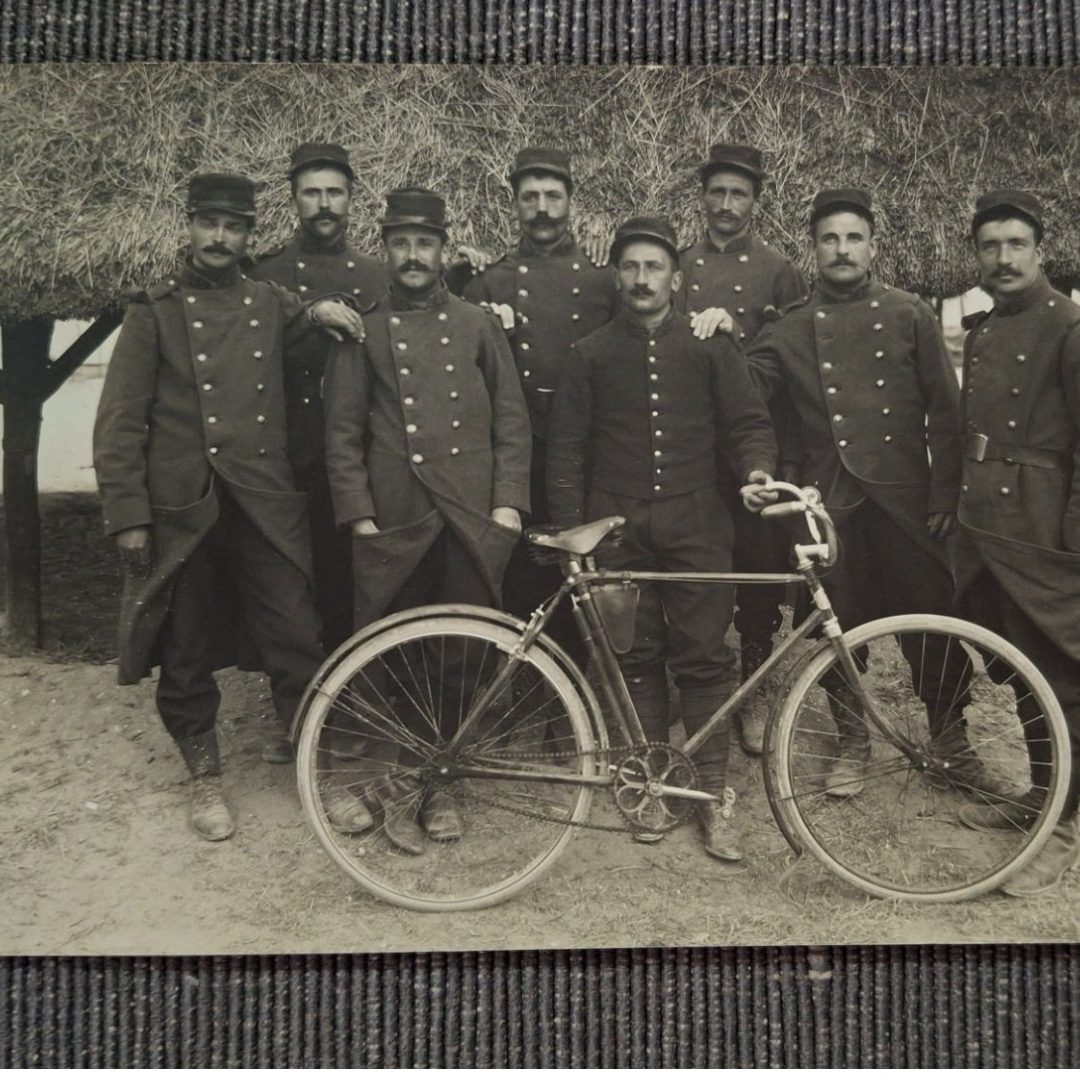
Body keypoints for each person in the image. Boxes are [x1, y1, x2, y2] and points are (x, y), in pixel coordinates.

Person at [92, 172, 366, 842]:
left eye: (233, 226)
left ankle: (320, 770)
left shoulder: (271, 302)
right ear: (189, 227)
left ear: (250, 235)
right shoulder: (153, 312)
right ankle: (204, 774)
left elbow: (311, 325)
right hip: (185, 508)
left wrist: (323, 311)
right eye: (209, 223)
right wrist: (129, 514)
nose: (219, 238)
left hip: (264, 503)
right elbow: (120, 424)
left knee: (296, 637)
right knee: (185, 648)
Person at [546, 217, 779, 862]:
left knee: (704, 655)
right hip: (617, 528)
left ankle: (711, 795)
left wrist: (757, 469)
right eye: (630, 268)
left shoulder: (709, 347)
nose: (642, 279)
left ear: (675, 278)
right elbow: (565, 450)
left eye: (654, 267)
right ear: (617, 277)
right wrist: (575, 532)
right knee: (636, 656)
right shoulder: (589, 353)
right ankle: (653, 785)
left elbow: (748, 424)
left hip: (699, 523)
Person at [744, 188, 989, 797]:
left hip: (906, 499)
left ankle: (949, 735)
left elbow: (945, 412)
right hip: (828, 502)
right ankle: (853, 736)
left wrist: (943, 496)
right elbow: (741, 387)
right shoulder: (793, 326)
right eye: (830, 238)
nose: (842, 249)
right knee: (838, 626)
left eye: (853, 237)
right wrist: (721, 332)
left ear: (873, 246)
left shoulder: (910, 313)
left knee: (928, 619)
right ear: (815, 249)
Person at [324, 186, 532, 855]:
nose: (413, 256)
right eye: (401, 244)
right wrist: (359, 517)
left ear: (445, 250)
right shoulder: (363, 329)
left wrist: (506, 504)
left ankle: (446, 784)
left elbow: (512, 421)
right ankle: (401, 774)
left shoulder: (477, 324)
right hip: (397, 518)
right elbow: (343, 436)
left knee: (462, 655)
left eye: (425, 243)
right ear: (385, 250)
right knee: (396, 654)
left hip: (469, 516)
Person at [951, 189, 1080, 895]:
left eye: (1016, 245)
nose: (1003, 258)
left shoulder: (1076, 333)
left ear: (1041, 251)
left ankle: (1061, 828)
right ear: (977, 254)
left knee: (1062, 682)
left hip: (1053, 545)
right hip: (995, 537)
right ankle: (1039, 797)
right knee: (1021, 673)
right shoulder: (987, 329)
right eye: (990, 246)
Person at [458, 147, 619, 639]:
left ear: (572, 202)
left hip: (586, 444)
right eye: (531, 197)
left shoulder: (602, 280)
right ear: (515, 205)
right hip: (521, 443)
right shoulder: (489, 281)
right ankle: (530, 676)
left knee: (585, 557)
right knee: (524, 561)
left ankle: (587, 670)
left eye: (554, 196)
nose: (543, 208)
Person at [679, 143, 808, 754]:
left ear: (756, 202)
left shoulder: (781, 272)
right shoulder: (678, 266)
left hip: (754, 444)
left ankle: (755, 686)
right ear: (702, 197)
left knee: (760, 575)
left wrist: (737, 334)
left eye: (740, 194)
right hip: (693, 452)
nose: (727, 205)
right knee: (699, 572)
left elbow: (789, 358)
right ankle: (699, 689)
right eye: (718, 192)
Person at [248, 143, 388, 662]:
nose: (323, 204)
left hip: (358, 454)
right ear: (293, 199)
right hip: (290, 453)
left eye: (334, 192)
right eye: (312, 193)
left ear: (352, 198)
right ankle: (302, 695)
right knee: (293, 582)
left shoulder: (378, 274)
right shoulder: (264, 276)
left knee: (354, 577)